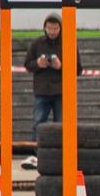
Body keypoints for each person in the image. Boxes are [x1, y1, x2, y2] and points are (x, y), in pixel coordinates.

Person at [22, 14, 78, 164]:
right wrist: (38, 64)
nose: (52, 32)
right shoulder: (37, 44)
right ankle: (37, 155)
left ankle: (61, 154)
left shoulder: (68, 43)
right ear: (44, 28)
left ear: (60, 28)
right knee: (38, 123)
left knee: (61, 123)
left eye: (55, 28)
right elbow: (27, 64)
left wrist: (61, 66)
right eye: (49, 28)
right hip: (42, 91)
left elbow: (78, 68)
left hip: (61, 91)